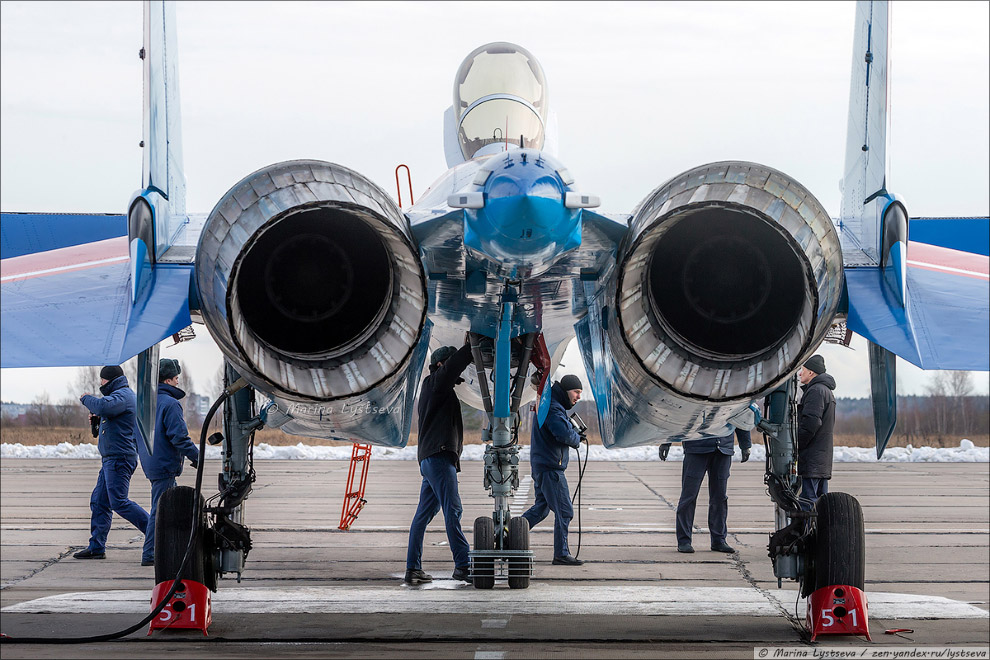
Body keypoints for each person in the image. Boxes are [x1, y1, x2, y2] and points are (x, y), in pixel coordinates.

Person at [404, 340, 474, 585]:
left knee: (422, 516)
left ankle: (413, 568)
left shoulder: (434, 388)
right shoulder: (436, 383)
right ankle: (463, 565)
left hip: (430, 460)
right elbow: (452, 367)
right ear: (441, 365)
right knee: (453, 511)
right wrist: (472, 346)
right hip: (439, 458)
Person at [75, 365, 150, 560]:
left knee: (119, 502)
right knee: (99, 502)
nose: (100, 384)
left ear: (109, 380)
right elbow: (104, 411)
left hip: (119, 458)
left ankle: (155, 534)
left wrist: (85, 398)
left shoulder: (122, 396)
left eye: (102, 381)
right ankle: (96, 547)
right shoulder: (117, 398)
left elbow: (101, 405)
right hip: (111, 458)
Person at [137, 358, 200, 567]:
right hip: (163, 463)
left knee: (165, 507)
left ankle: (168, 547)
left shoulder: (146, 402)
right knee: (160, 509)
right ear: (168, 380)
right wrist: (196, 456)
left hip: (151, 461)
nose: (177, 382)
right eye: (175, 378)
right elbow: (179, 437)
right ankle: (150, 553)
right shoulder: (170, 404)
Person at [521, 374, 585, 566]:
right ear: (566, 390)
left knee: (541, 510)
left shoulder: (551, 404)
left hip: (543, 466)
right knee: (564, 511)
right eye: (576, 392)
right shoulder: (553, 407)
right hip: (550, 469)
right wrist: (577, 439)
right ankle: (561, 554)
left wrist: (573, 435)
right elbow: (563, 433)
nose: (578, 397)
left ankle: (507, 533)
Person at [660, 427, 751, 554]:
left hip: (722, 449)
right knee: (689, 496)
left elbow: (739, 413)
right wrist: (666, 441)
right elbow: (682, 414)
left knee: (720, 497)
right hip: (696, 448)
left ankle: (719, 540)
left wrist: (745, 444)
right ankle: (684, 541)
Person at [797, 354, 836, 510]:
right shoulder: (825, 391)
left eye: (802, 370)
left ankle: (806, 534)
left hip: (812, 459)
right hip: (820, 459)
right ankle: (819, 533)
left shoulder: (815, 391)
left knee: (808, 502)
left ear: (811, 373)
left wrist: (796, 445)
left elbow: (811, 423)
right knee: (820, 503)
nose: (800, 373)